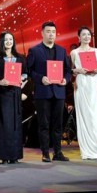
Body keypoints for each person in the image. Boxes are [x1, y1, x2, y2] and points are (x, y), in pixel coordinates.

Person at [27, 22, 71, 162]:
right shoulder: (34, 50)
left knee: (58, 124)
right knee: (44, 124)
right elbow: (29, 71)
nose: (51, 34)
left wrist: (65, 79)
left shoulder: (62, 50)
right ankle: (45, 152)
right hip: (43, 92)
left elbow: (68, 71)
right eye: (48, 31)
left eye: (53, 32)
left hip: (59, 91)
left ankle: (58, 152)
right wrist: (41, 78)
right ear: (42, 33)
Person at [70, 27, 97, 160]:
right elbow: (70, 70)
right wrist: (78, 70)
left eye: (89, 34)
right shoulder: (74, 52)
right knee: (84, 114)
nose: (87, 37)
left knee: (95, 115)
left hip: (93, 83)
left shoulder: (96, 51)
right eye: (84, 34)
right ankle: (86, 149)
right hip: (82, 83)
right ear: (78, 37)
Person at [0, 31, 27, 164]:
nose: (9, 42)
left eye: (11, 39)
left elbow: (25, 74)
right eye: (6, 40)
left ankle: (14, 155)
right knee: (3, 124)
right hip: (2, 94)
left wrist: (22, 80)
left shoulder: (20, 57)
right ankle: (4, 155)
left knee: (15, 124)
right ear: (1, 42)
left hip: (15, 93)